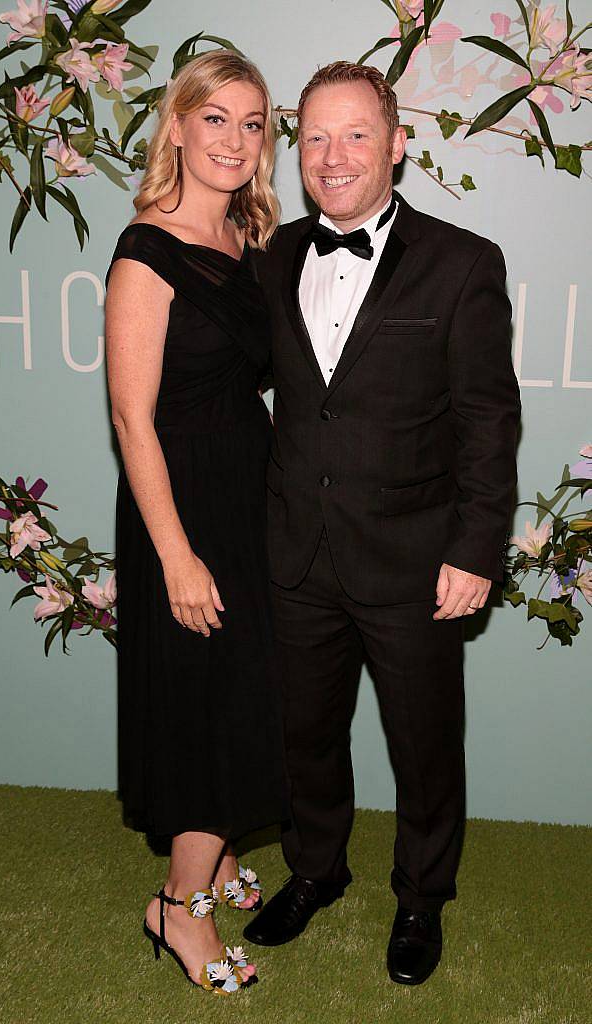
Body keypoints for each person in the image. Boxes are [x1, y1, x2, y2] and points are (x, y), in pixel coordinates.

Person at [244, 61, 521, 986]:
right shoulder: (271, 255)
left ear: (397, 143)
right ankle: (315, 870)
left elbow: (489, 419)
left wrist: (477, 547)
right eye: (315, 137)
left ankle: (420, 899)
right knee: (304, 735)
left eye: (356, 134)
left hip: (415, 561)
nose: (334, 156)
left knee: (425, 745)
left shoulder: (464, 261)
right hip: (297, 556)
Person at [104, 50, 287, 996]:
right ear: (176, 126)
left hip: (245, 495)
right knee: (210, 705)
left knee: (244, 690)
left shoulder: (246, 241)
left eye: (253, 123)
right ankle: (180, 907)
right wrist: (176, 556)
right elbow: (133, 416)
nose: (235, 140)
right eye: (214, 119)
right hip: (182, 508)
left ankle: (211, 865)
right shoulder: (147, 248)